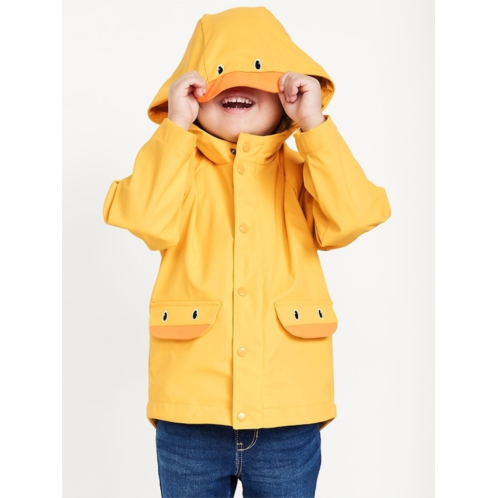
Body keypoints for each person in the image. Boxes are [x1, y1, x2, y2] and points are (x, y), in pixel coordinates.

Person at [103, 6, 391, 498]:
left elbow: (354, 215)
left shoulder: (305, 172)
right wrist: (175, 128)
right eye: (217, 79)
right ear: (190, 95)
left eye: (259, 76)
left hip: (288, 412)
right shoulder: (177, 170)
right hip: (190, 415)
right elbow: (145, 217)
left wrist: (315, 126)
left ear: (287, 96)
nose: (237, 86)